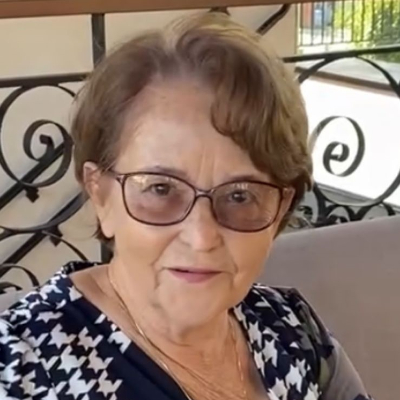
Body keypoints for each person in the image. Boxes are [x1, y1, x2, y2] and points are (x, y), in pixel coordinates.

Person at [0, 12, 372, 400]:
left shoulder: (293, 331)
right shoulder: (18, 369)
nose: (201, 237)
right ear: (100, 195)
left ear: (280, 208)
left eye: (240, 195)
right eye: (161, 189)